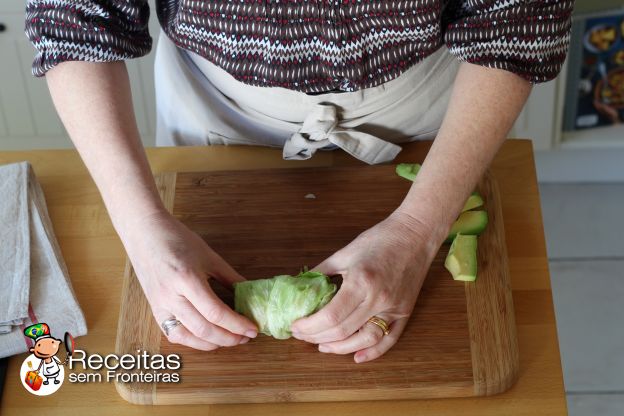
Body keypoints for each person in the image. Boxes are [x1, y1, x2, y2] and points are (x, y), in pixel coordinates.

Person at [25, 0, 574, 363]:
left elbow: (518, 21)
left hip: (434, 105)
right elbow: (71, 18)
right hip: (217, 103)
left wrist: (417, 227)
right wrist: (141, 227)